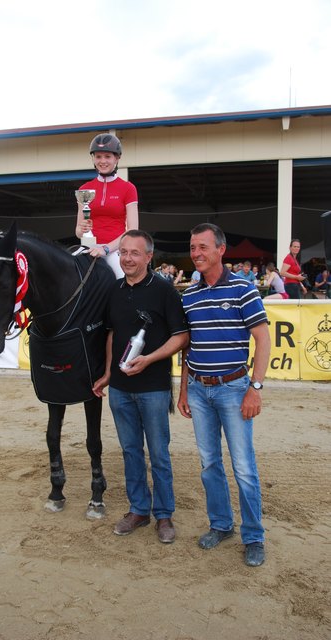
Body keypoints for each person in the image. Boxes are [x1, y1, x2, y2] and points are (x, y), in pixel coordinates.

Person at [177, 223, 271, 567]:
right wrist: (185, 389)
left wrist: (255, 388)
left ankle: (254, 535)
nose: (196, 253)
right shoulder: (189, 295)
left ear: (221, 250)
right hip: (200, 391)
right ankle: (221, 525)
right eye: (192, 248)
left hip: (234, 389)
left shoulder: (244, 290)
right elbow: (188, 347)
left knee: (244, 467)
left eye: (203, 247)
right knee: (209, 464)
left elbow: (263, 339)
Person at [93, 230, 188, 544]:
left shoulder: (164, 291)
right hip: (119, 389)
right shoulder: (114, 291)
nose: (127, 258)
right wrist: (108, 374)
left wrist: (148, 359)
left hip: (154, 388)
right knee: (131, 451)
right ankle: (138, 510)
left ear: (149, 257)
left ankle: (164, 515)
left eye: (134, 253)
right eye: (123, 252)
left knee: (159, 454)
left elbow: (181, 336)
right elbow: (110, 334)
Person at [75, 133, 138, 277]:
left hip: (114, 250)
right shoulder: (84, 189)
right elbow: (78, 231)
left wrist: (106, 249)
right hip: (88, 248)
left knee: (123, 279)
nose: (102, 161)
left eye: (107, 156)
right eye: (98, 156)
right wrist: (82, 229)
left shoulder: (128, 188)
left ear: (117, 158)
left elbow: (133, 229)